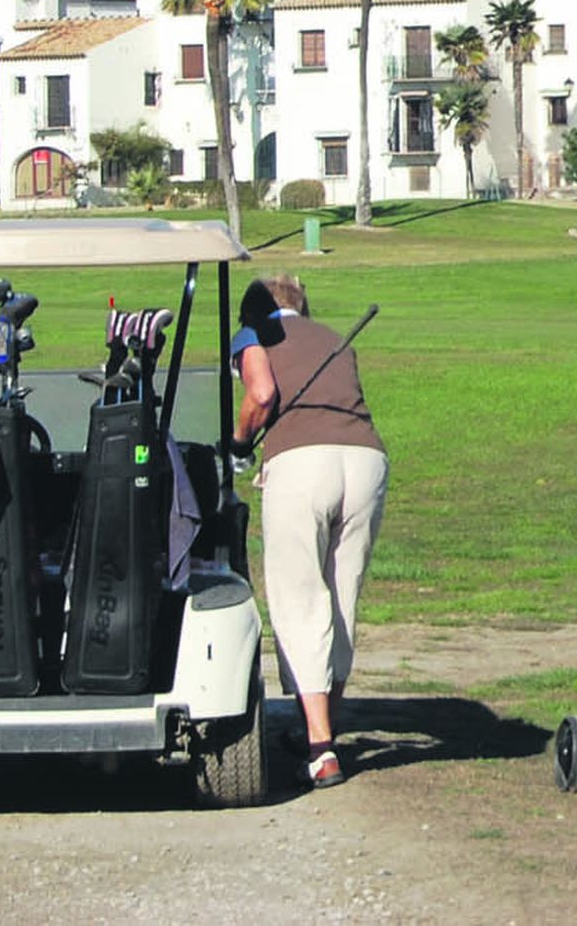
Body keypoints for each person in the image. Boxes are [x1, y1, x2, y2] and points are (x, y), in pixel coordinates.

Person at [232, 275, 389, 791]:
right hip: (365, 459)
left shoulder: (254, 333)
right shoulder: (330, 338)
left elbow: (261, 393)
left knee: (298, 598)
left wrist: (237, 442)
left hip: (302, 463)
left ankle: (321, 749)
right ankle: (322, 726)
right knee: (341, 595)